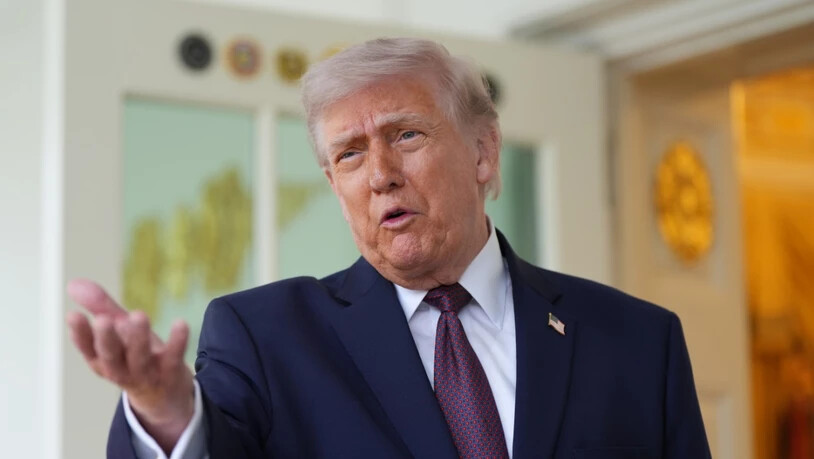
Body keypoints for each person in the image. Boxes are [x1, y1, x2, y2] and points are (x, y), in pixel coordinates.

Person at [67, 37, 711, 458]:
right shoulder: (264, 337)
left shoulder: (638, 340)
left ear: (483, 152)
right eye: (350, 154)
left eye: (406, 136)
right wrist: (164, 410)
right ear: (334, 184)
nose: (380, 175)